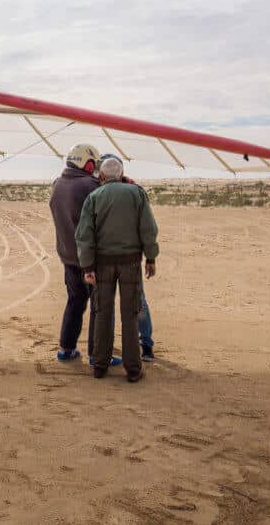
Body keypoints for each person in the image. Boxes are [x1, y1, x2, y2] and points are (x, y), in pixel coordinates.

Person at [76, 157, 159, 382]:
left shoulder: (93, 197)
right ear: (122, 174)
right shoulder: (136, 194)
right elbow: (148, 229)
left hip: (102, 265)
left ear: (101, 176)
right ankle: (133, 369)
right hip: (131, 264)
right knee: (130, 315)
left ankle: (100, 365)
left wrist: (87, 267)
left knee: (103, 313)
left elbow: (84, 236)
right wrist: (150, 257)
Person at [48, 143, 120, 365]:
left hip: (68, 256)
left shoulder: (58, 184)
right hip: (90, 258)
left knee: (75, 302)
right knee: (99, 306)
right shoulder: (91, 184)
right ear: (87, 163)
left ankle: (65, 348)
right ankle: (97, 355)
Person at [98, 154, 156, 362]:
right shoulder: (131, 191)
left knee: (125, 302)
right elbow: (148, 228)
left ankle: (143, 344)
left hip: (110, 260)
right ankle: (139, 346)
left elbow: (147, 227)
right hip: (128, 259)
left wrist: (150, 256)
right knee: (131, 301)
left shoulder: (131, 192)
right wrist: (150, 257)